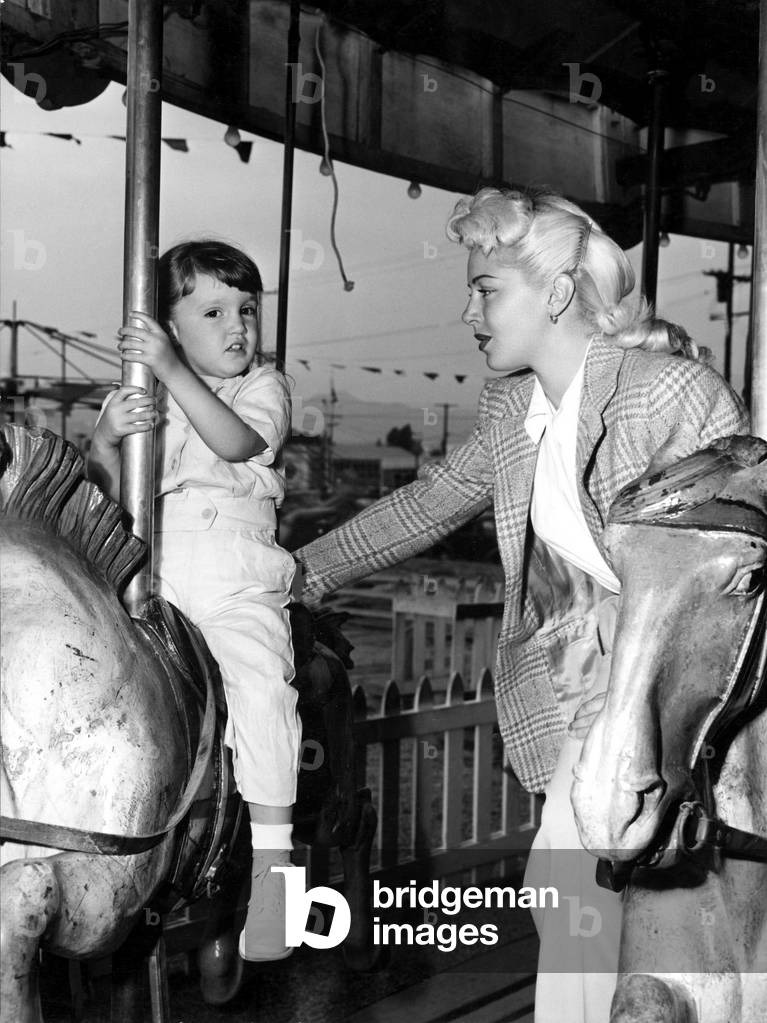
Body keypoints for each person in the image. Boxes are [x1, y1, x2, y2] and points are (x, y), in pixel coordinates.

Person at [293, 188, 749, 1021]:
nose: (467, 308)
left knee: (591, 887)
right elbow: (427, 505)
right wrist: (295, 573)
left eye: (485, 287)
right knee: (574, 892)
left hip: (682, 692)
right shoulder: (513, 409)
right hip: (590, 696)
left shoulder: (663, 391)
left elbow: (731, 553)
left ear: (555, 292)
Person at [88, 240, 300, 963]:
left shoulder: (260, 387)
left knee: (263, 687)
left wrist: (174, 370)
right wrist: (108, 438)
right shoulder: (147, 396)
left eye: (246, 308)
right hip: (156, 570)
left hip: (236, 579)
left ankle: (275, 870)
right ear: (170, 324)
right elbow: (109, 493)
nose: (237, 324)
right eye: (213, 311)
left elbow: (238, 442)